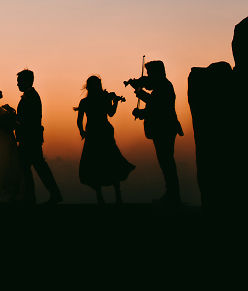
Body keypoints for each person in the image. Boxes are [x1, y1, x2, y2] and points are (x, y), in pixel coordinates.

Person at [129, 60, 184, 206]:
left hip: (165, 129)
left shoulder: (164, 87)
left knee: (167, 162)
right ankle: (172, 194)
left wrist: (139, 93)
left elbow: (155, 107)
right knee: (166, 162)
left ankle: (173, 195)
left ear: (156, 73)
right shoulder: (163, 86)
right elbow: (154, 104)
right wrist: (141, 96)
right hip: (166, 128)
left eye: (149, 74)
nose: (147, 77)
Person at [76, 76, 135, 204]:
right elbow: (111, 113)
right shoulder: (104, 98)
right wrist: (115, 102)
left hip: (92, 132)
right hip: (104, 131)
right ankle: (118, 196)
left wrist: (82, 132)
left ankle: (100, 197)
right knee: (111, 161)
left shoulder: (84, 102)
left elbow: (79, 121)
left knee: (94, 164)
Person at [15, 69, 63, 204]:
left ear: (26, 81)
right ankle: (41, 195)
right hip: (31, 138)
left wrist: (14, 117)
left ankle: (33, 197)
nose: (17, 84)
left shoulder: (31, 97)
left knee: (30, 167)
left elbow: (28, 119)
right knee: (34, 167)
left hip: (29, 138)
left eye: (19, 82)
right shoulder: (31, 96)